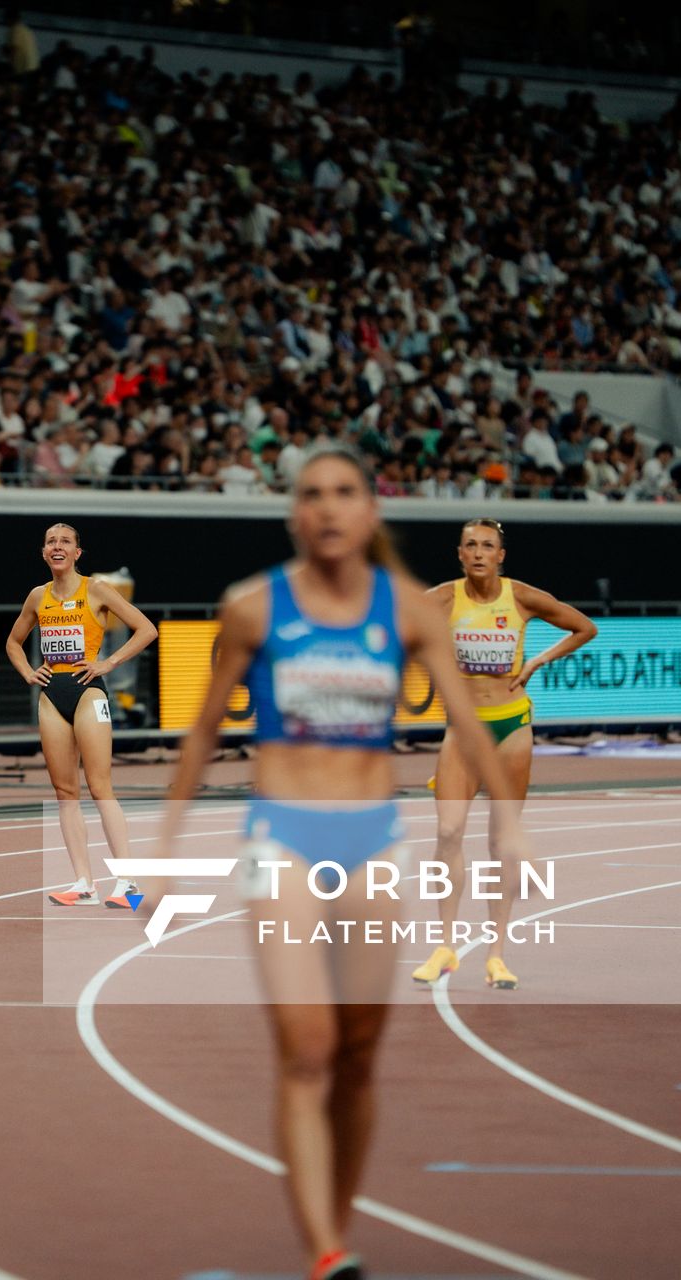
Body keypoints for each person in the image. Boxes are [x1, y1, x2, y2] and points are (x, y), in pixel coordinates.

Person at [154, 444, 526, 1280]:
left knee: (359, 1054)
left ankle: (338, 1223)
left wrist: (514, 820)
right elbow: (207, 729)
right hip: (279, 837)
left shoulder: (406, 611)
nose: (327, 507)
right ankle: (326, 1250)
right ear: (295, 513)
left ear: (369, 513)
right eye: (311, 494)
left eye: (345, 493)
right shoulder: (252, 608)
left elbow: (469, 725)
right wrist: (166, 843)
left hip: (371, 845)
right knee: (308, 1046)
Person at [414, 518, 595, 989]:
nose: (478, 553)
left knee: (501, 842)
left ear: (500, 556)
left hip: (511, 728)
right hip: (463, 731)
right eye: (470, 545)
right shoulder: (441, 598)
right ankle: (445, 946)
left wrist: (536, 660)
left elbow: (584, 628)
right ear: (459, 554)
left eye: (487, 546)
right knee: (449, 831)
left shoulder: (520, 597)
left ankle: (496, 954)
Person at [4, 523, 158, 907]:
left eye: (65, 542)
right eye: (51, 542)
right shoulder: (37, 597)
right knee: (64, 792)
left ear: (77, 553)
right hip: (51, 695)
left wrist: (109, 663)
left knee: (100, 786)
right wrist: (27, 672)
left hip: (88, 691)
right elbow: (12, 642)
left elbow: (146, 629)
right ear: (44, 553)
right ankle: (83, 882)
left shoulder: (97, 590)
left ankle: (128, 884)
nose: (58, 546)